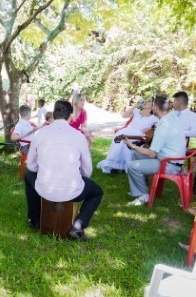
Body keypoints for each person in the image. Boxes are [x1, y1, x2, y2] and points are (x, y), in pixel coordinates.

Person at [25, 100, 103, 241]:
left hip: (44, 189)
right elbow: (87, 170)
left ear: (53, 115)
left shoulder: (39, 134)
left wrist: (42, 171)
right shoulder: (78, 136)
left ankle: (34, 220)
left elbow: (30, 165)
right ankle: (78, 225)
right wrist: (78, 177)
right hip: (73, 191)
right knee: (97, 192)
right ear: (71, 116)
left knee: (29, 176)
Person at [125, 95, 187, 206]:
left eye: (153, 106)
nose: (152, 108)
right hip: (173, 160)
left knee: (131, 165)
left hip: (169, 164)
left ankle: (143, 196)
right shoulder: (172, 117)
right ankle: (140, 187)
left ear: (156, 108)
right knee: (135, 154)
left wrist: (132, 145)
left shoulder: (163, 126)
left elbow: (152, 153)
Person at [97, 97, 158, 174]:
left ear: (153, 105)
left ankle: (125, 165)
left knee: (126, 140)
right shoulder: (136, 111)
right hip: (127, 130)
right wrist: (135, 105)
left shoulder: (154, 117)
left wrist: (151, 128)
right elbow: (124, 115)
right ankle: (114, 163)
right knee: (119, 138)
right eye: (146, 100)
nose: (145, 101)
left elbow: (160, 128)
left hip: (138, 135)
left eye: (148, 101)